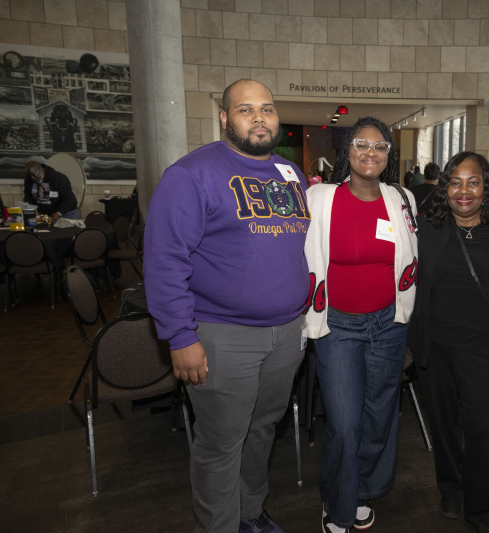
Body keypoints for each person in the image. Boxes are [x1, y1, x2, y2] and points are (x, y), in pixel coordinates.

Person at [144, 79, 308, 533]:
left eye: (267, 109)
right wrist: (180, 336)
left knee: (262, 431)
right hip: (222, 335)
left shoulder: (289, 173)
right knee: (221, 443)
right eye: (245, 109)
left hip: (286, 333)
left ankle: (249, 514)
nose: (259, 118)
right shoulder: (190, 174)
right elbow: (164, 259)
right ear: (224, 118)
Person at [304, 116, 419, 533]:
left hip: (389, 324)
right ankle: (338, 502)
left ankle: (363, 489)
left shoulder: (402, 198)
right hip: (337, 326)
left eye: (379, 146)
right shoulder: (320, 197)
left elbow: (412, 257)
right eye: (361, 144)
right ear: (347, 151)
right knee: (344, 422)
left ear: (389, 154)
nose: (370, 153)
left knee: (379, 414)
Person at [408, 151, 489, 533]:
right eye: (455, 182)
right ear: (445, 187)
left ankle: (480, 508)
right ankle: (450, 488)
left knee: (482, 431)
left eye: (473, 182)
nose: (463, 191)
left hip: (486, 348)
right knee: (444, 426)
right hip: (436, 348)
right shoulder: (427, 227)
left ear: (487, 187)